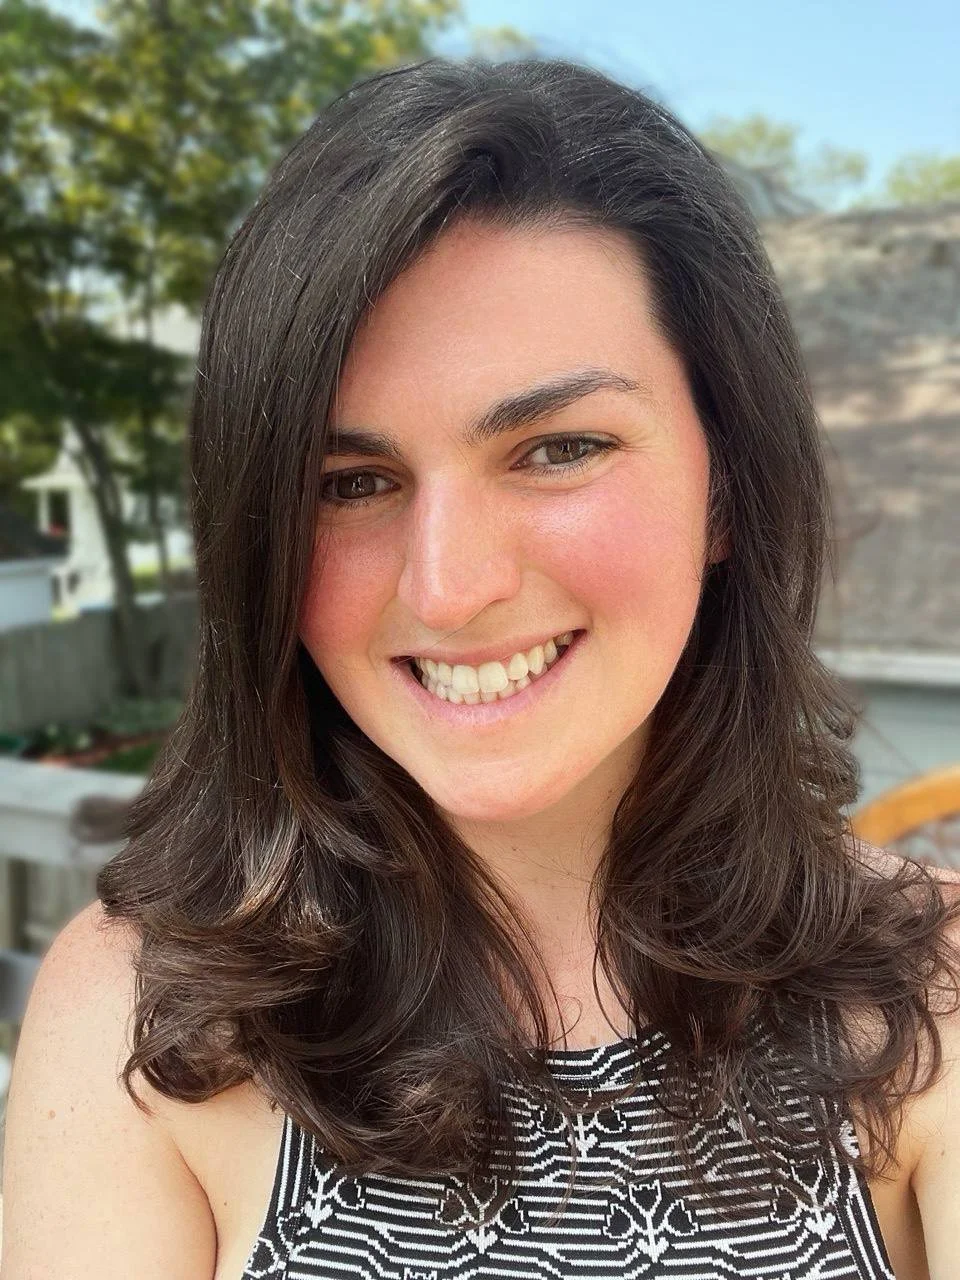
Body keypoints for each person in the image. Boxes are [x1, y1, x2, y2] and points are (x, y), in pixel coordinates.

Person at [2, 56, 959, 1280]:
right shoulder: (142, 1017)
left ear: (726, 485)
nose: (449, 585)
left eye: (558, 448)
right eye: (352, 481)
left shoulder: (933, 999)